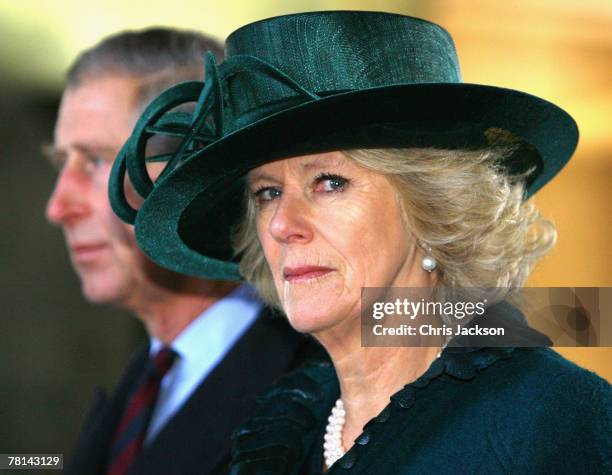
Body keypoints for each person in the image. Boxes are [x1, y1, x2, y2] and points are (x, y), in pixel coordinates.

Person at [110, 12, 611, 474]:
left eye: (329, 182)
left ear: (431, 209)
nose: (284, 223)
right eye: (267, 193)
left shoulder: (553, 416)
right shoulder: (279, 432)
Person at [45, 27, 320, 475]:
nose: (57, 207)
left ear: (195, 177)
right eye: (62, 164)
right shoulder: (139, 386)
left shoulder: (320, 385)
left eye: (95, 161)